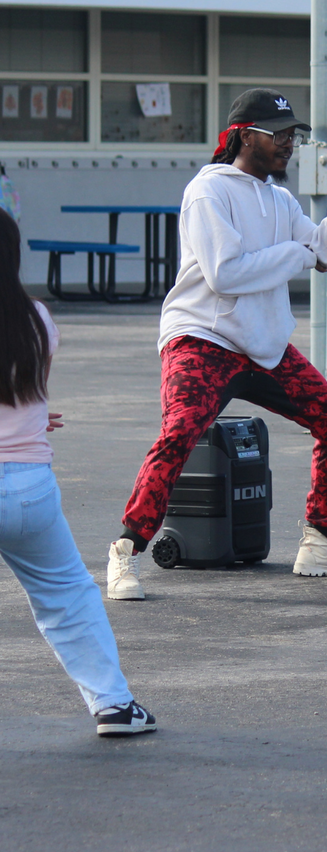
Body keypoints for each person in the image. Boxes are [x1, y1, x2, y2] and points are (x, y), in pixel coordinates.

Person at [107, 88, 327, 599]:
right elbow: (225, 275)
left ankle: (323, 541)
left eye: (293, 135)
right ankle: (127, 549)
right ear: (244, 135)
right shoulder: (208, 191)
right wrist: (294, 251)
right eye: (278, 134)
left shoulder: (280, 200)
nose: (289, 143)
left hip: (260, 345)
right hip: (202, 337)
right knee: (181, 430)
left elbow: (326, 252)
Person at [0, 208, 155, 736]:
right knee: (68, 597)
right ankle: (114, 705)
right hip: (30, 487)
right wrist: (34, 416)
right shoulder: (36, 319)